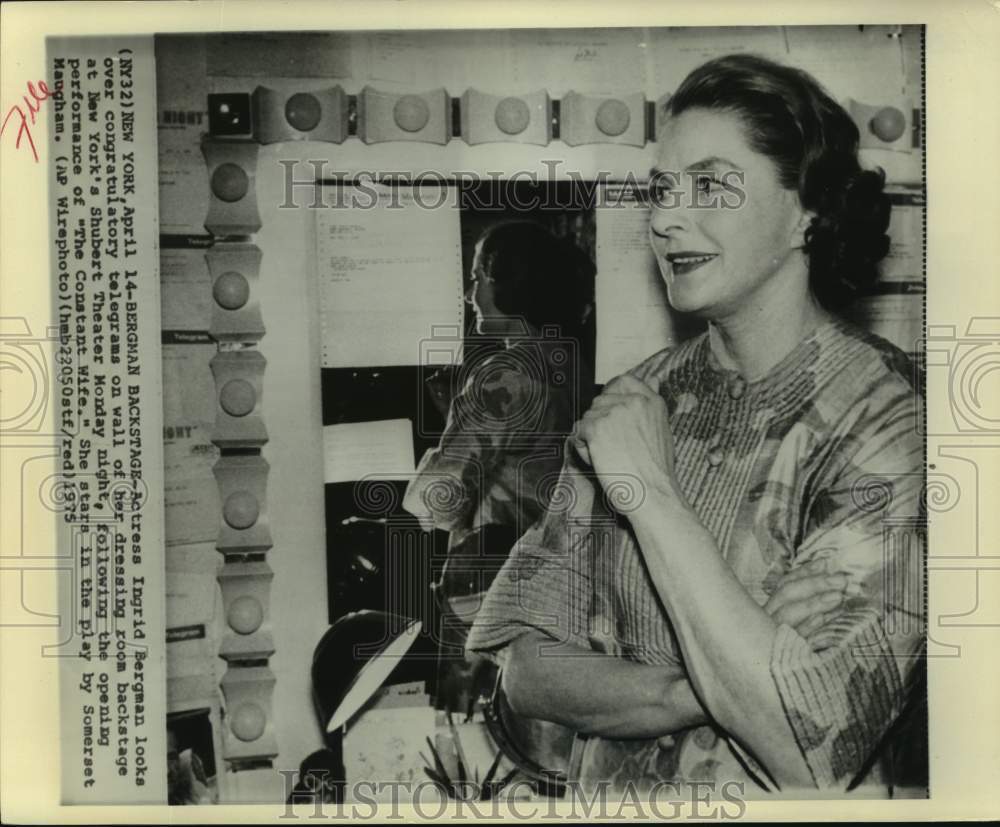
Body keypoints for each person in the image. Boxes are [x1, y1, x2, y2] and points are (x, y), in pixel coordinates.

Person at [466, 54, 925, 795]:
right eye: (661, 189)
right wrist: (701, 686)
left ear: (807, 207)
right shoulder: (635, 399)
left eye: (710, 184)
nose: (664, 217)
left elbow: (810, 747)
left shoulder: (886, 412)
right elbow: (523, 671)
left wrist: (648, 489)